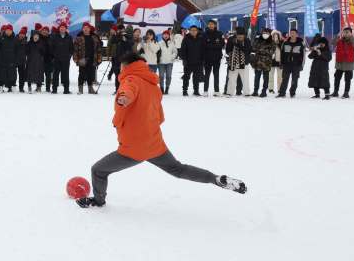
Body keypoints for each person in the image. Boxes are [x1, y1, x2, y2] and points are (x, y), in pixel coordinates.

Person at [76, 51, 247, 209]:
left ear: (127, 66)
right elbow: (159, 116)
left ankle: (98, 201)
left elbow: (128, 91)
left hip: (133, 147)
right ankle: (214, 179)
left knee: (98, 170)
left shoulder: (130, 80)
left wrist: (123, 98)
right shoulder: (153, 85)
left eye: (121, 65)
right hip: (154, 142)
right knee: (178, 169)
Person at [223, 28, 251, 96]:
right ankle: (229, 92)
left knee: (245, 79)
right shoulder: (231, 39)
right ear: (236, 34)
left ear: (244, 35)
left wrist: (239, 45)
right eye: (238, 35)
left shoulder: (247, 40)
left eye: (241, 36)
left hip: (244, 63)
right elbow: (227, 50)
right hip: (233, 62)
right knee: (231, 79)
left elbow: (248, 51)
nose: (240, 37)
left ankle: (246, 92)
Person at [277, 29, 305, 98]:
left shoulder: (301, 43)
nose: (292, 34)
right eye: (291, 33)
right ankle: (282, 93)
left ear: (297, 34)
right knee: (284, 79)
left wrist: (302, 65)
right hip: (286, 64)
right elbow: (282, 54)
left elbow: (303, 55)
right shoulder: (285, 42)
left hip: (296, 65)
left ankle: (292, 92)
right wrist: (281, 63)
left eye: (293, 33)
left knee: (294, 80)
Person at [179, 24, 205, 96]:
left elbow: (203, 50)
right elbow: (182, 50)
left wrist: (203, 60)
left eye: (195, 30)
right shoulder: (186, 38)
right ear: (189, 31)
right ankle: (185, 90)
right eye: (192, 30)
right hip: (188, 62)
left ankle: (196, 90)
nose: (193, 32)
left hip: (198, 62)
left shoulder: (201, 38)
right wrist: (184, 59)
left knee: (196, 77)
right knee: (186, 77)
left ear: (197, 31)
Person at [202, 19, 224, 94]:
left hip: (217, 58)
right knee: (207, 75)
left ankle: (216, 91)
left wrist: (211, 45)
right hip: (207, 58)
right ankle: (205, 90)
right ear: (208, 25)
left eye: (212, 24)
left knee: (216, 74)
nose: (211, 25)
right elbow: (204, 45)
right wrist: (214, 45)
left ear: (215, 25)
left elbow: (222, 44)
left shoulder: (219, 33)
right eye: (209, 24)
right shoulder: (204, 34)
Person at [251, 29, 275, 98]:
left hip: (267, 63)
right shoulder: (257, 40)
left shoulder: (272, 42)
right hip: (257, 62)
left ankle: (264, 91)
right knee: (257, 77)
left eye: (267, 33)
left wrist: (260, 50)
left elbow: (271, 52)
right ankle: (255, 91)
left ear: (269, 34)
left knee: (266, 78)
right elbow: (254, 48)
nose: (265, 34)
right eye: (264, 33)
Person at [306, 34, 331, 99]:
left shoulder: (327, 51)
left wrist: (321, 54)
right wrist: (315, 50)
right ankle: (317, 94)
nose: (322, 45)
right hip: (315, 68)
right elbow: (309, 56)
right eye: (320, 43)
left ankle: (327, 95)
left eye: (323, 43)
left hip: (323, 69)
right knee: (314, 81)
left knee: (325, 81)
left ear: (326, 44)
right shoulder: (317, 49)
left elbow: (328, 58)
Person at [154, 29, 177, 93]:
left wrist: (171, 57)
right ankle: (161, 88)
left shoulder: (172, 43)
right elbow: (156, 52)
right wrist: (159, 58)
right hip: (161, 63)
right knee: (161, 76)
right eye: (164, 34)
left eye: (167, 34)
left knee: (168, 76)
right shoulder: (159, 43)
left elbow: (175, 52)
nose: (166, 36)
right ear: (162, 35)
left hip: (169, 62)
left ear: (169, 36)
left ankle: (167, 88)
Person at [25, 28, 46, 92]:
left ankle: (39, 87)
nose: (36, 37)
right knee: (29, 74)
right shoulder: (29, 43)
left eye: (37, 36)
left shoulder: (41, 43)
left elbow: (44, 52)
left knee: (39, 74)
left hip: (39, 61)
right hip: (30, 61)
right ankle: (29, 86)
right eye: (35, 36)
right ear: (32, 36)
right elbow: (26, 51)